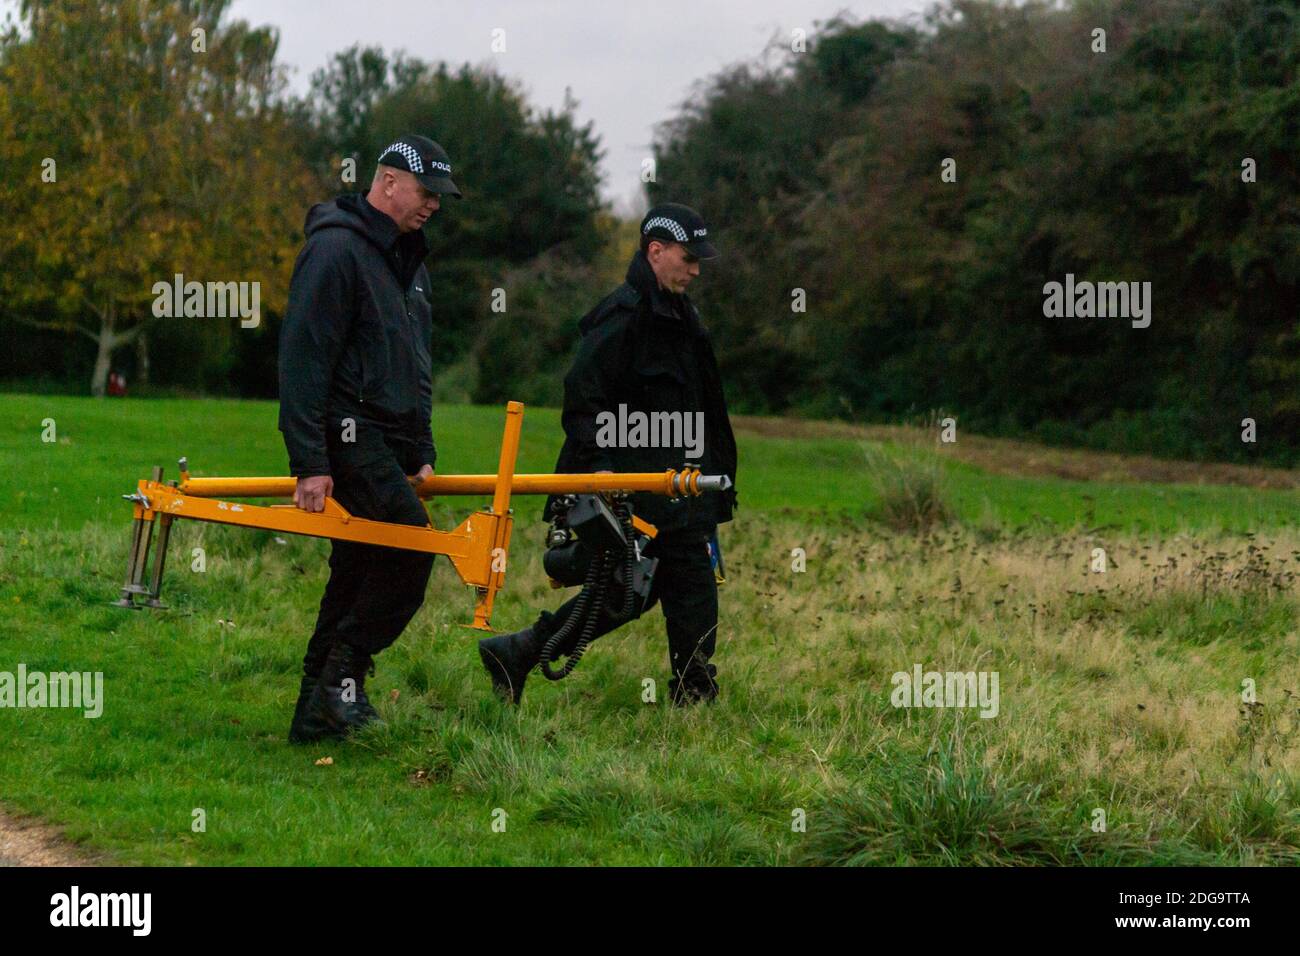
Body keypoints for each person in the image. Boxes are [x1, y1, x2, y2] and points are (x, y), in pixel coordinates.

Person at [478, 203, 738, 707]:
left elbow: (707, 410)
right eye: (688, 258)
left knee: (684, 588)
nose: (696, 269)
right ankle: (520, 652)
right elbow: (582, 397)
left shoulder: (687, 320)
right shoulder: (620, 318)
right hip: (631, 488)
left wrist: (718, 482)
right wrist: (599, 470)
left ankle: (693, 692)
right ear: (655, 252)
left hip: (683, 489)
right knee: (631, 592)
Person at [277, 134, 461, 743]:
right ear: (386, 183)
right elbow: (303, 358)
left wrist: (422, 448)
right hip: (346, 434)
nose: (434, 205)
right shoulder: (336, 250)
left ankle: (316, 710)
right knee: (411, 549)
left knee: (358, 568)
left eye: (440, 197)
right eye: (426, 192)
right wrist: (309, 462)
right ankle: (339, 685)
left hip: (386, 438)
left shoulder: (407, 263)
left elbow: (417, 365)